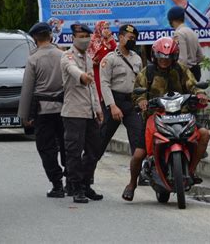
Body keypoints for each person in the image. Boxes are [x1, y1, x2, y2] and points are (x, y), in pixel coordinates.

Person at [121, 37, 210, 202]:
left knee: (204, 134)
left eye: (168, 57)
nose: (164, 60)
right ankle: (132, 184)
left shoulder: (181, 70)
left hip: (181, 115)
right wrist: (141, 102)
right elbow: (137, 93)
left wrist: (200, 94)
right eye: (161, 57)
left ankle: (191, 171)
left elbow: (193, 84)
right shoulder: (146, 72)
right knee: (139, 154)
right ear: (155, 56)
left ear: (174, 56)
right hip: (154, 117)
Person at [18, 22, 67, 198]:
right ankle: (71, 181)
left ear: (34, 39)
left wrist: (24, 116)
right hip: (64, 109)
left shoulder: (33, 59)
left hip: (43, 111)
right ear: (50, 36)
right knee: (66, 145)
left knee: (46, 148)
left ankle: (57, 184)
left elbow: (27, 89)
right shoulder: (63, 55)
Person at [61, 23, 104, 204]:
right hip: (74, 113)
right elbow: (73, 70)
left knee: (93, 151)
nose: (84, 39)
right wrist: (82, 77)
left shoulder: (88, 57)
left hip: (89, 112)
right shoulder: (66, 56)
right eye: (81, 36)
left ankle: (86, 184)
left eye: (87, 36)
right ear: (73, 38)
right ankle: (75, 187)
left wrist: (98, 109)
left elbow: (92, 85)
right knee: (74, 152)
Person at [97, 24, 143, 162]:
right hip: (114, 101)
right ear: (121, 37)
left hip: (131, 102)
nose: (132, 41)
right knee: (101, 138)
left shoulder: (137, 59)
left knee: (138, 136)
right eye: (130, 37)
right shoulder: (109, 59)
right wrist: (112, 106)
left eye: (134, 38)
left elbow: (140, 81)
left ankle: (140, 172)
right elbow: (104, 84)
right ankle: (86, 171)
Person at [168, 6, 204, 82]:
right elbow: (200, 56)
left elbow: (182, 60)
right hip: (195, 71)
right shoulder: (191, 31)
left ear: (171, 20)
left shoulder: (179, 33)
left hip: (185, 74)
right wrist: (192, 62)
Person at [88, 21, 117, 103]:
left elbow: (116, 52)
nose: (106, 30)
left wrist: (110, 39)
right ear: (99, 29)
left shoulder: (111, 40)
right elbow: (88, 57)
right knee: (98, 94)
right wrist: (93, 61)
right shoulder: (93, 41)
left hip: (110, 72)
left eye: (108, 28)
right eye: (104, 28)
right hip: (97, 72)